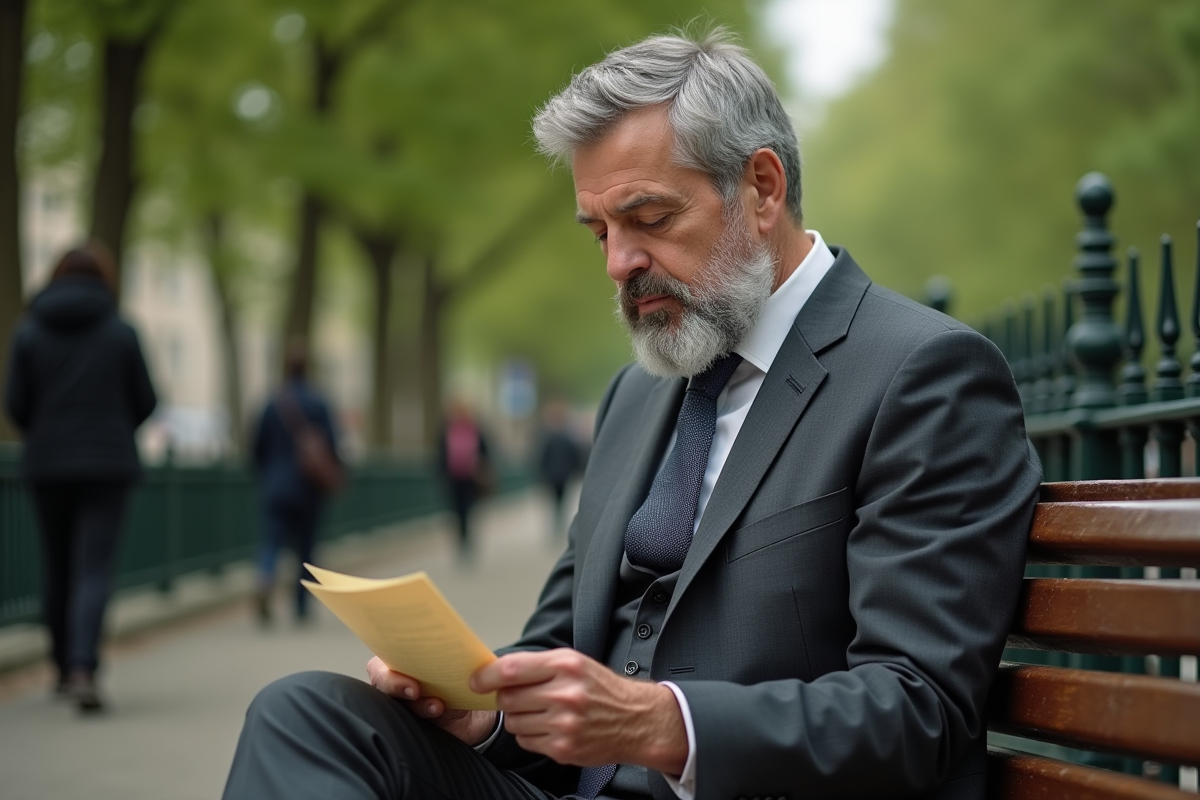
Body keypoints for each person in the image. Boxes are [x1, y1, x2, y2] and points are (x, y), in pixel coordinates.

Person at [223, 29, 1041, 800]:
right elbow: (557, 642)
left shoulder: (924, 374)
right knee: (307, 714)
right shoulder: (638, 393)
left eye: (650, 219)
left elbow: (919, 709)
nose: (620, 263)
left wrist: (667, 727)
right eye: (599, 232)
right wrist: (490, 711)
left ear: (761, 187)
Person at [4, 242, 157, 713]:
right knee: (93, 568)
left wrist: (47, 431)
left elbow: (15, 404)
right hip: (108, 464)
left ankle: (58, 665)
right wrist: (112, 428)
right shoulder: (121, 331)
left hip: (48, 463)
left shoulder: (29, 331)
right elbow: (147, 399)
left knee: (57, 564)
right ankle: (81, 667)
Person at [250, 341, 341, 625]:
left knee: (272, 541)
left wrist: (267, 474)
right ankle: (301, 606)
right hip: (309, 489)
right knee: (306, 548)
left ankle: (265, 576)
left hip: (276, 486)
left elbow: (257, 447)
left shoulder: (272, 402)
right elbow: (334, 445)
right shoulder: (319, 403)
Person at [436, 400, 492, 561]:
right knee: (456, 511)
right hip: (453, 478)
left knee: (469, 509)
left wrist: (483, 467)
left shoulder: (476, 430)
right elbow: (440, 454)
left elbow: (485, 451)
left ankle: (467, 539)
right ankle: (461, 539)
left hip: (472, 478)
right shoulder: (446, 430)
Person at [537, 398, 584, 538]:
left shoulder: (552, 437)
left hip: (557, 475)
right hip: (560, 475)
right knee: (558, 502)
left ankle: (557, 525)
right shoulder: (564, 437)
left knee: (558, 502)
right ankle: (557, 525)